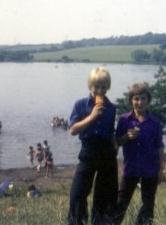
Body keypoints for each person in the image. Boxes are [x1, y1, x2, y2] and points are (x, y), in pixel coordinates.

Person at [67, 67, 118, 225]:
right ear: (90, 86)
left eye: (103, 87)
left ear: (108, 87)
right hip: (88, 152)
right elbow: (73, 130)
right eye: (96, 87)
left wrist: (117, 144)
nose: (100, 91)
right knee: (77, 195)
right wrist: (92, 116)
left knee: (103, 197)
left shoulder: (111, 108)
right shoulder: (81, 105)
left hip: (107, 154)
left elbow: (110, 133)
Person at [113, 83, 164, 225]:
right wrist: (126, 137)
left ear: (148, 101)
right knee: (121, 202)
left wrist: (161, 168)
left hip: (150, 168)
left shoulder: (155, 122)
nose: (140, 102)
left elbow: (159, 146)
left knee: (148, 205)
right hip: (131, 168)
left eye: (143, 99)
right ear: (131, 100)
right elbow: (117, 142)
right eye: (136, 99)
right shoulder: (124, 120)